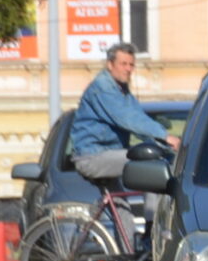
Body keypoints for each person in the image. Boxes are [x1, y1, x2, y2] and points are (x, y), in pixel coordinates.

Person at [68, 42, 169, 186]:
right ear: (110, 64)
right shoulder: (103, 88)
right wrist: (165, 136)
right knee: (152, 163)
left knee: (120, 208)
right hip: (92, 156)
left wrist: (164, 144)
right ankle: (154, 210)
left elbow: (140, 121)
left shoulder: (122, 91)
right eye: (123, 64)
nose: (128, 69)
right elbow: (129, 119)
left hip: (110, 153)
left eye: (131, 65)